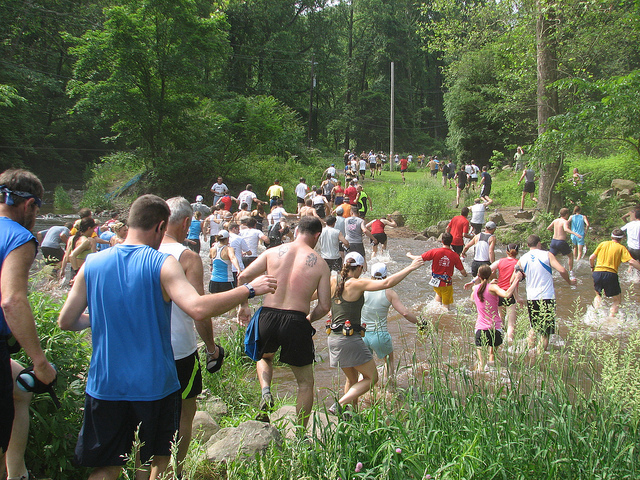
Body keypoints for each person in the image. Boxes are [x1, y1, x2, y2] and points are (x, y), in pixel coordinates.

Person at [58, 194, 276, 480]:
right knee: (156, 462)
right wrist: (249, 290)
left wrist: (101, 319)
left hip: (104, 384)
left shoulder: (92, 264)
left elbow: (67, 321)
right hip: (154, 385)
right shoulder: (162, 263)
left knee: (106, 467)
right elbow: (197, 308)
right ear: (161, 226)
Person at [237, 216, 331, 427]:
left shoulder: (271, 252)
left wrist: (243, 306)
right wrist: (309, 318)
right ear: (317, 236)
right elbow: (325, 306)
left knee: (265, 357)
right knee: (305, 383)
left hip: (267, 315)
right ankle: (299, 434)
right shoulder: (321, 264)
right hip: (296, 320)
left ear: (296, 231)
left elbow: (242, 277)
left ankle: (266, 391)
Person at [0, 170, 57, 480]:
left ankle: (18, 471)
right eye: (38, 209)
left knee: (20, 387)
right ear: (30, 205)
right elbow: (12, 301)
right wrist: (40, 361)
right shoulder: (19, 237)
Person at [158, 197, 220, 478]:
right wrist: (210, 347)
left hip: (144, 349)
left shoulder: (140, 249)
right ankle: (176, 471)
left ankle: (143, 468)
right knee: (185, 411)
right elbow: (199, 308)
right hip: (180, 349)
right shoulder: (187, 257)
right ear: (186, 223)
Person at [328, 253, 423, 415]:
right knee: (375, 376)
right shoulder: (359, 284)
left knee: (351, 379)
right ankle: (341, 403)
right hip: (357, 338)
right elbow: (389, 286)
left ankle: (351, 414)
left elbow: (320, 299)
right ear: (358, 267)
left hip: (338, 336)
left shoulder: (334, 281)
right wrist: (411, 267)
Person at [516, 234, 576, 353]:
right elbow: (562, 270)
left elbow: (515, 277)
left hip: (532, 297)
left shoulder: (522, 258)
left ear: (528, 245)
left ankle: (528, 353)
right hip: (546, 297)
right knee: (546, 332)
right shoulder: (547, 254)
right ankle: (539, 355)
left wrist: (517, 296)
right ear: (539, 244)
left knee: (533, 327)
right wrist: (569, 282)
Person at [361, 263, 418, 385]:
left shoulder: (363, 289)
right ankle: (390, 389)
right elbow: (405, 313)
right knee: (389, 361)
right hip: (379, 335)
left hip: (362, 334)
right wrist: (421, 323)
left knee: (364, 365)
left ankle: (366, 393)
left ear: (371, 274)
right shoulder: (389, 293)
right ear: (386, 275)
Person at [465, 243, 522, 345]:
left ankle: (497, 339)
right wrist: (518, 297)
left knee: (499, 320)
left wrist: (473, 281)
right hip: (510, 294)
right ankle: (508, 345)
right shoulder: (519, 263)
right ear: (517, 253)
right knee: (511, 324)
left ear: (506, 251)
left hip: (498, 293)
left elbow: (486, 270)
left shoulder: (500, 261)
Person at [470, 265, 522, 371]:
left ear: (478, 276)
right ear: (491, 274)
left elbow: (472, 299)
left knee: (481, 364)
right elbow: (507, 294)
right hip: (495, 328)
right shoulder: (493, 287)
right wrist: (516, 280)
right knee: (492, 359)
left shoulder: (475, 288)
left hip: (480, 328)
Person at [408, 233, 467, 310]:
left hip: (435, 281)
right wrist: (466, 276)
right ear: (451, 242)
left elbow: (419, 258)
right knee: (446, 307)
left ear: (442, 241)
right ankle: (442, 317)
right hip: (446, 284)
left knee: (438, 294)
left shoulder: (435, 251)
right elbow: (462, 271)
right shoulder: (455, 255)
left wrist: (409, 255)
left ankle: (435, 311)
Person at [589, 229, 640, 316]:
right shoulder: (621, 248)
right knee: (617, 300)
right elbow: (631, 261)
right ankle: (611, 319)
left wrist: (592, 267)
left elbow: (591, 257)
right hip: (611, 273)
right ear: (622, 238)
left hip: (597, 272)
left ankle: (594, 315)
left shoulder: (603, 244)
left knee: (598, 296)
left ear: (611, 236)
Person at [547, 207, 582, 280]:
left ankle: (548, 271)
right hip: (561, 242)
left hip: (554, 241)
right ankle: (571, 272)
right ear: (566, 214)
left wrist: (553, 231)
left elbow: (548, 228)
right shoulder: (564, 221)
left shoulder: (555, 220)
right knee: (570, 256)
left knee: (551, 258)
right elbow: (566, 229)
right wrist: (575, 234)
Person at [60, 217, 97, 282]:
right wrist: (77, 272)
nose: (93, 232)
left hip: (73, 269)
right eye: (93, 229)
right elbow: (72, 256)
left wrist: (62, 269)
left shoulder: (71, 238)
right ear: (89, 228)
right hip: (81, 271)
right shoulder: (86, 241)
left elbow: (66, 256)